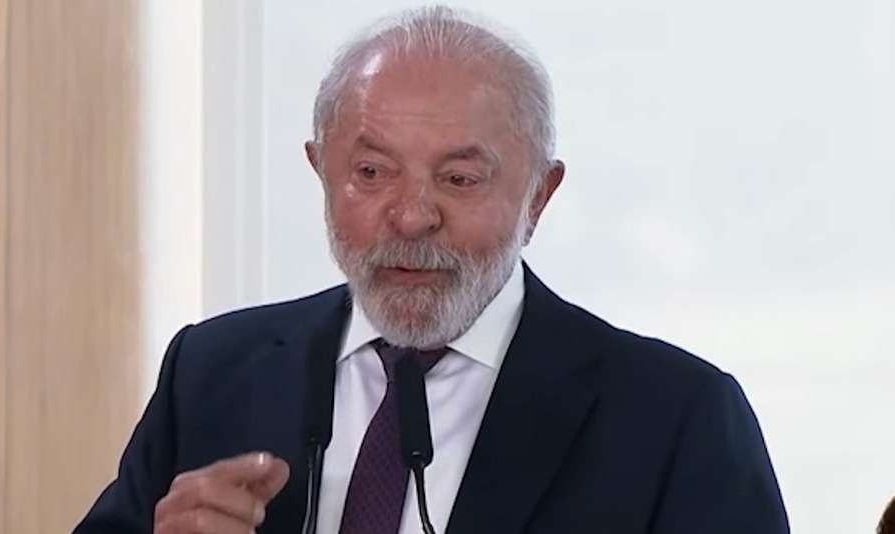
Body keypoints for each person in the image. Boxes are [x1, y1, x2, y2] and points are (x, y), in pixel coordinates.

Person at [75, 6, 789, 534]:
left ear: (539, 196)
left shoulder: (676, 418)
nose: (413, 216)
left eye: (459, 179)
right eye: (371, 172)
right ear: (320, 172)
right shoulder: (211, 373)